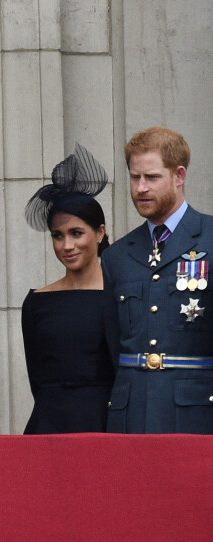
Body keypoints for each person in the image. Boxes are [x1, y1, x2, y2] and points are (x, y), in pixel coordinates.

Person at [102, 126, 213, 434]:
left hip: (196, 416)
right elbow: (114, 344)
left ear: (179, 176)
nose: (140, 188)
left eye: (151, 177)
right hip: (132, 416)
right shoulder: (117, 255)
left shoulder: (210, 238)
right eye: (135, 177)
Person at [21, 144, 116, 434]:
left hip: (107, 428)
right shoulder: (37, 302)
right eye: (58, 236)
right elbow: (37, 379)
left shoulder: (120, 295)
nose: (67, 246)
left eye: (77, 233)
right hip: (48, 430)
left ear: (100, 232)